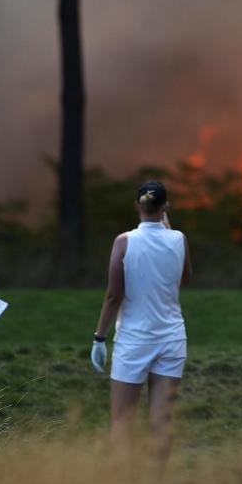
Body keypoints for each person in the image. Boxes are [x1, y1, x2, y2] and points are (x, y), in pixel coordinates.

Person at [91, 180, 192, 468]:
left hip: (134, 341)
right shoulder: (179, 239)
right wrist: (169, 231)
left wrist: (99, 337)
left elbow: (114, 296)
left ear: (137, 206)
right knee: (162, 422)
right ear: (165, 208)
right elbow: (184, 278)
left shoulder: (123, 241)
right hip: (172, 339)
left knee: (122, 422)